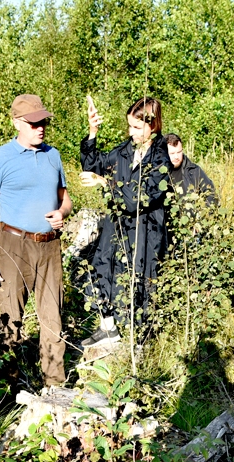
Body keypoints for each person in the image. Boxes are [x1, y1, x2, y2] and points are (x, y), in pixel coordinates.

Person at [0, 94, 72, 386]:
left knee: (52, 318)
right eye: (33, 123)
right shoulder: (0, 158)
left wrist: (62, 212)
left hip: (49, 245)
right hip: (12, 245)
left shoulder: (52, 155)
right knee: (10, 318)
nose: (40, 128)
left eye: (42, 121)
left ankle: (54, 386)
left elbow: (65, 199)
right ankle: (8, 388)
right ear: (17, 122)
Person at [79, 96, 171, 347]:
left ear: (153, 125)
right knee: (102, 267)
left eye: (137, 127)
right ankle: (108, 328)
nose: (131, 133)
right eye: (129, 126)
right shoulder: (123, 152)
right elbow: (92, 164)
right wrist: (92, 131)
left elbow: (138, 198)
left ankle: (141, 340)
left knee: (141, 280)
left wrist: (105, 183)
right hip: (116, 226)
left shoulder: (161, 156)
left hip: (146, 230)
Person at [165, 133, 217, 206]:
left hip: (191, 216)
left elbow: (211, 194)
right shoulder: (156, 173)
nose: (176, 156)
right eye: (172, 153)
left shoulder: (194, 171)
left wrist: (203, 214)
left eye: (179, 152)